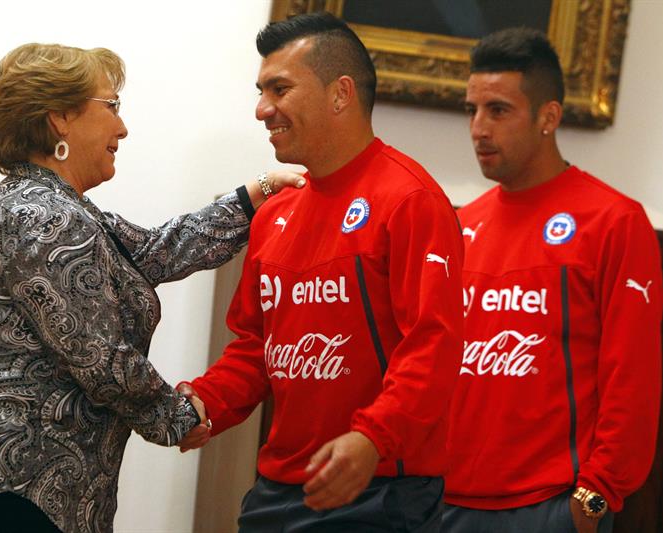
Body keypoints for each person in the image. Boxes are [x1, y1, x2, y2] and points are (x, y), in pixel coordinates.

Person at [0, 42, 305, 533]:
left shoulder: (56, 208)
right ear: (59, 119)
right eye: (111, 106)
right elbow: (102, 359)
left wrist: (255, 194)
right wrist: (179, 416)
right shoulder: (43, 217)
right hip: (5, 482)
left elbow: (158, 250)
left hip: (12, 482)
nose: (122, 127)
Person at [178, 13, 464, 532]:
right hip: (277, 489)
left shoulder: (409, 201)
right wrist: (204, 403)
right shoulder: (274, 215)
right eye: (262, 91)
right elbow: (252, 348)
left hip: (377, 493)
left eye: (280, 89)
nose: (263, 109)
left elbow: (433, 347)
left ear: (341, 93)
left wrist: (373, 438)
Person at [443, 27, 663, 533]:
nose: (478, 128)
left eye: (498, 110)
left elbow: (632, 380)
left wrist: (595, 499)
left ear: (549, 116)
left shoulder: (613, 221)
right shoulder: (461, 224)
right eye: (471, 110)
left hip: (549, 508)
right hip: (445, 503)